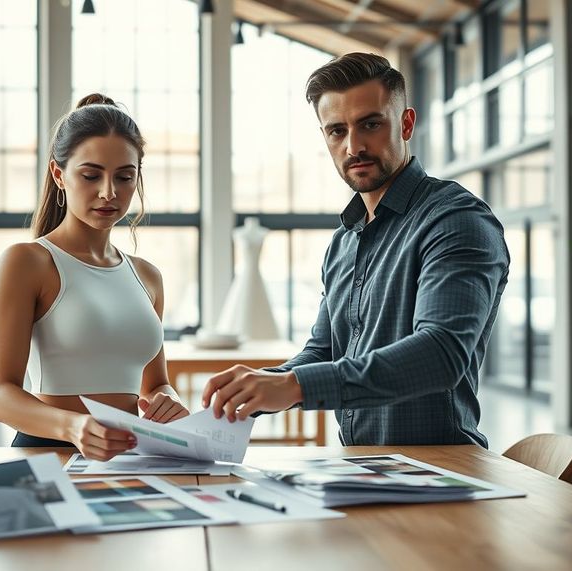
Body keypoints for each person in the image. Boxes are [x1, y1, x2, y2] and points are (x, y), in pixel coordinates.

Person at [201, 53, 509, 447]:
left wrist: (295, 387)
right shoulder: (345, 240)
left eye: (370, 124)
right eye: (336, 131)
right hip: (362, 468)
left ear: (406, 123)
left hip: (440, 471)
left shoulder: (456, 220)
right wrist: (259, 387)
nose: (354, 146)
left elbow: (441, 354)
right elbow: (323, 350)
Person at [0, 94, 189, 460]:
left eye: (125, 177)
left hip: (134, 457)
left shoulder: (148, 276)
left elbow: (155, 384)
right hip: (50, 455)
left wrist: (168, 402)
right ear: (58, 174)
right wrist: (74, 427)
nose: (109, 192)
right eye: (91, 175)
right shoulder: (28, 262)